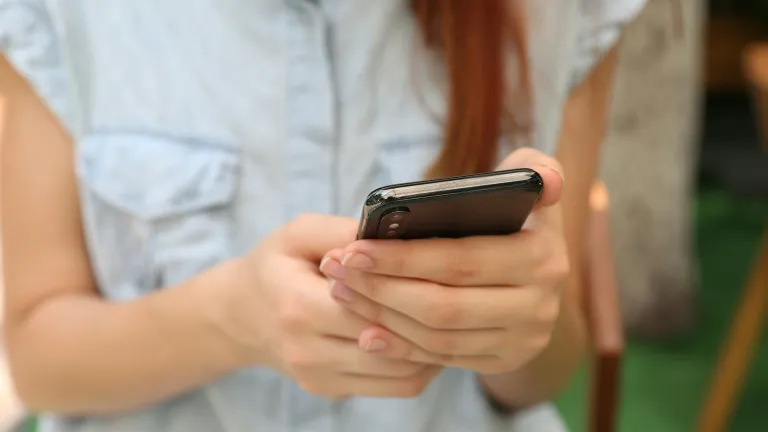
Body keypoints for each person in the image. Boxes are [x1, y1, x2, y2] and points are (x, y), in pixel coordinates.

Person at [0, 0, 646, 431]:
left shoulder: (564, 13)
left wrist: (524, 320)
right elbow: (39, 362)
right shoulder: (61, 15)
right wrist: (227, 320)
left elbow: (545, 374)